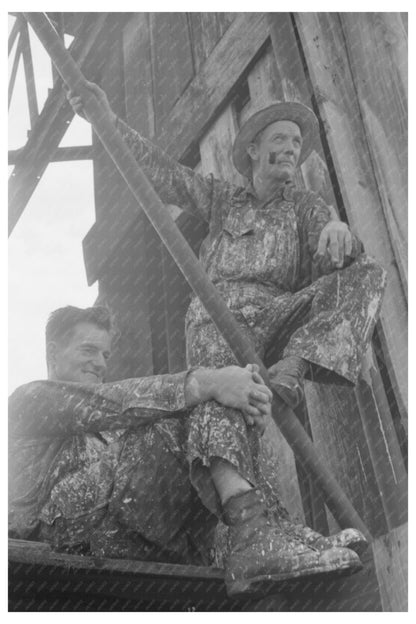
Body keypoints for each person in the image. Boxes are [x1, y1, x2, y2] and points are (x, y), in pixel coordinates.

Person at [69, 86, 386, 596]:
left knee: (367, 272)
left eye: (297, 143)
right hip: (220, 313)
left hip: (277, 319)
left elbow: (334, 258)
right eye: (280, 139)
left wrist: (340, 234)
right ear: (254, 151)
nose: (290, 149)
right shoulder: (221, 199)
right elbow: (163, 173)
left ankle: (292, 372)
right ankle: (254, 527)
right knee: (224, 394)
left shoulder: (305, 207)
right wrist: (105, 117)